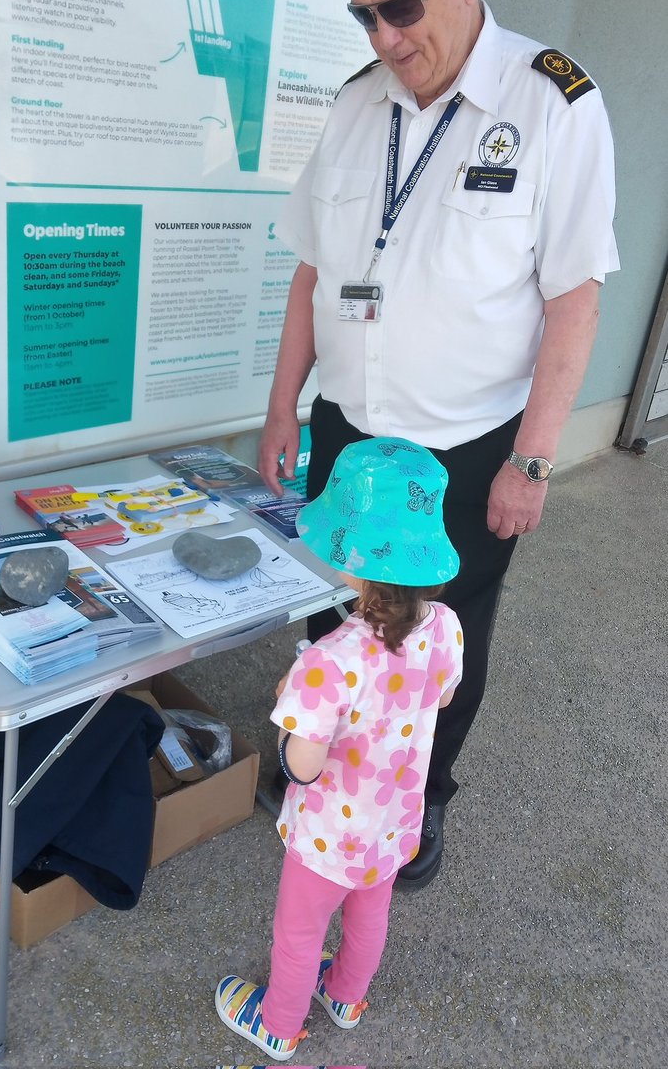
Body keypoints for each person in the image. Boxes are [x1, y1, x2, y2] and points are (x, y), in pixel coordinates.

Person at [258, 0, 620, 889]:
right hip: (344, 431)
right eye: (363, 13)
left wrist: (533, 462)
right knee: (332, 614)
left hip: (462, 450)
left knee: (432, 648)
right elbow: (311, 272)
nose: (381, 36)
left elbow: (573, 303)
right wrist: (283, 403)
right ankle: (316, 771)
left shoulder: (550, 104)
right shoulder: (353, 105)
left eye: (400, 7)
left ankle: (416, 807)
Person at [215, 438, 463, 1061]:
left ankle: (278, 1023)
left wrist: (292, 717)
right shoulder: (447, 628)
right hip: (394, 818)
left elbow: (301, 767)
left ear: (351, 559)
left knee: (299, 933)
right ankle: (348, 997)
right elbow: (443, 697)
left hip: (328, 833)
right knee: (369, 912)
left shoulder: (329, 661)